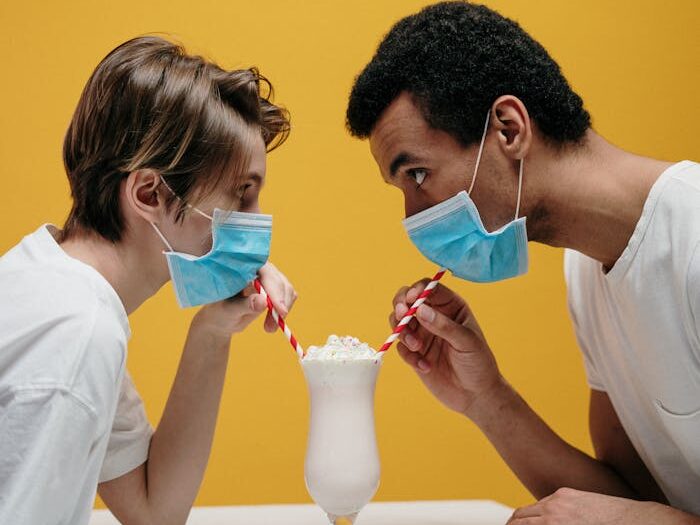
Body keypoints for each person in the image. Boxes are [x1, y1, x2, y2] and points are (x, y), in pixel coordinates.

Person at [346, 2, 699, 523]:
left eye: (418, 174)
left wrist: (630, 522)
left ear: (508, 129)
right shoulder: (586, 271)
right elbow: (630, 498)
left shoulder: (692, 238)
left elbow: (628, 518)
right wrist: (485, 398)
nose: (412, 216)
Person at [0, 36, 297, 525]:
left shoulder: (60, 294)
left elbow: (154, 510)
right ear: (150, 192)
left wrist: (213, 332)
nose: (257, 220)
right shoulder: (74, 336)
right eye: (242, 194)